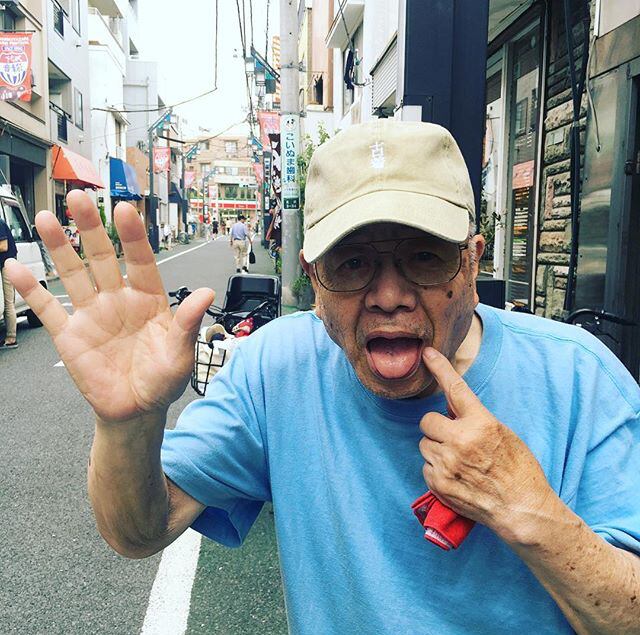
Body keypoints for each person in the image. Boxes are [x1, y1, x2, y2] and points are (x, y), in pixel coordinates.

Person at [5, 121, 640, 634]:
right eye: (352, 263)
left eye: (424, 256)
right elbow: (138, 531)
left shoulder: (579, 380)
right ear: (312, 278)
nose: (388, 296)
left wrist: (530, 510)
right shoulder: (275, 370)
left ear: (472, 262)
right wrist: (128, 426)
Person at [0, 216, 18, 349]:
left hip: (7, 263)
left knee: (8, 300)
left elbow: (3, 246)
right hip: (3, 262)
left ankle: (11, 337)